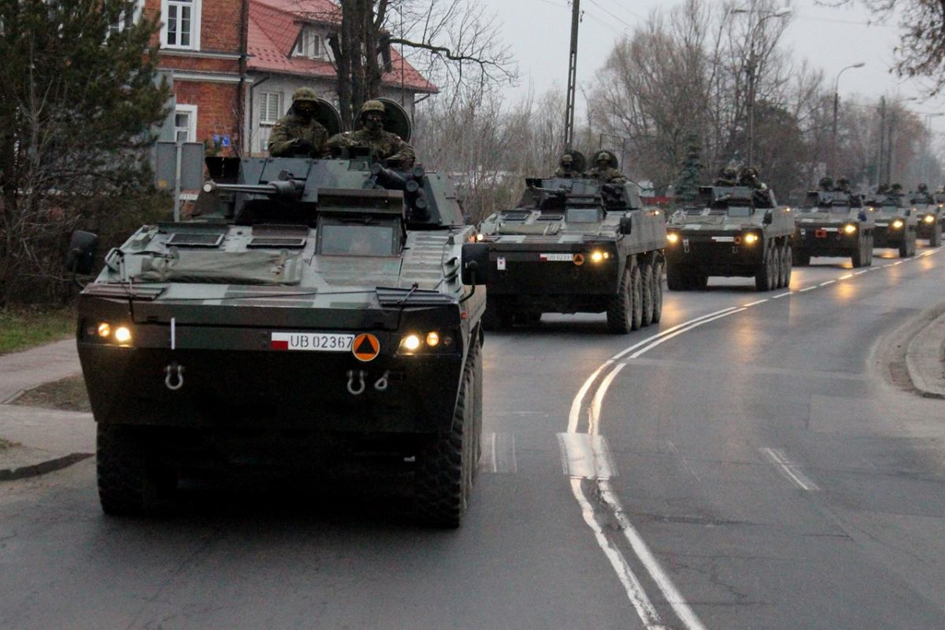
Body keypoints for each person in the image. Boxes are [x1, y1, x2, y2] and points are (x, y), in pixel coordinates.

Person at [327, 100, 416, 166]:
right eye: (371, 116)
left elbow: (409, 151)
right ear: (364, 118)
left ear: (383, 119)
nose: (374, 120)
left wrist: (387, 162)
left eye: (378, 116)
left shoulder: (391, 139)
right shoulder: (353, 136)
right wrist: (352, 144)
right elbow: (331, 141)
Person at [268, 88, 330, 158]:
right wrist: (295, 144)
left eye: (310, 105)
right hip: (285, 165)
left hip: (313, 166)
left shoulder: (320, 130)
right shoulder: (284, 124)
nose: (306, 109)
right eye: (302, 104)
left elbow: (326, 155)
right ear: (295, 105)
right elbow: (274, 147)